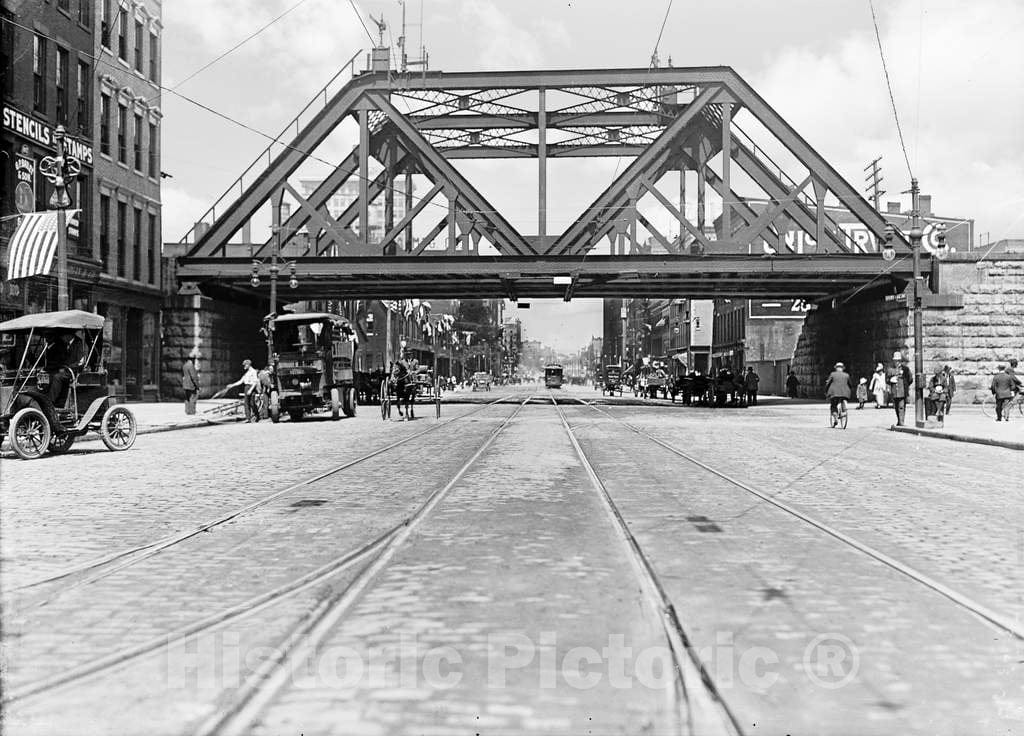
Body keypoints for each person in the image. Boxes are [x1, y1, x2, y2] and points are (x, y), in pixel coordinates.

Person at [45, 331, 86, 408]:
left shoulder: (80, 344)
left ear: (68, 335)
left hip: (75, 372)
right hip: (65, 370)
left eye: (62, 336)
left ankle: (49, 402)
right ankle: (57, 403)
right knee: (49, 376)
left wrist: (66, 368)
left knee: (57, 377)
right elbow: (61, 360)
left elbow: (81, 362)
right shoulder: (65, 344)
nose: (61, 339)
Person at [888, 357, 913, 426]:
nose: (897, 362)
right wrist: (891, 380)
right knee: (896, 406)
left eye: (898, 361)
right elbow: (887, 379)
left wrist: (906, 385)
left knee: (901, 406)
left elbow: (910, 379)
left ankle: (901, 421)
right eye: (895, 361)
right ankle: (899, 420)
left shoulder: (905, 369)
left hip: (902, 390)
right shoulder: (890, 369)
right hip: (894, 391)